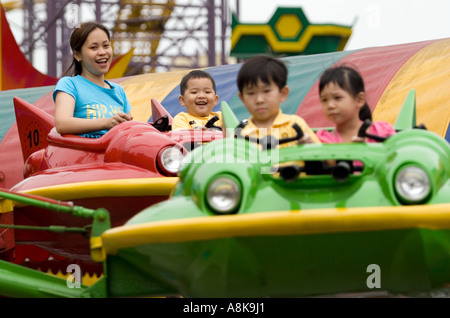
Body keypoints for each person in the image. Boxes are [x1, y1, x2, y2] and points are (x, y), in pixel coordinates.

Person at [53, 22, 133, 138]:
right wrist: (107, 122)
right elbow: (62, 124)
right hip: (85, 155)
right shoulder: (69, 85)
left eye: (106, 46)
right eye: (93, 47)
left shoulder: (118, 90)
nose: (102, 52)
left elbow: (130, 129)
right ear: (77, 55)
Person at [236, 55, 320, 148]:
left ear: (283, 93)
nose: (259, 100)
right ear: (242, 98)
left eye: (266, 91)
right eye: (251, 93)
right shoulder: (240, 134)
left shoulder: (295, 125)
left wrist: (311, 146)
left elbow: (323, 157)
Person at [316, 65, 396, 143]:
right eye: (324, 100)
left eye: (337, 98)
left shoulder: (382, 132)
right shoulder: (323, 140)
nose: (330, 105)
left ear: (359, 100)